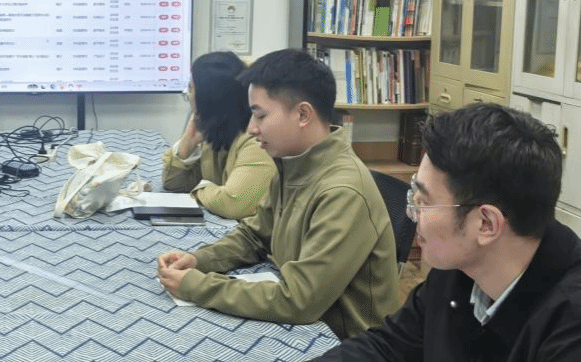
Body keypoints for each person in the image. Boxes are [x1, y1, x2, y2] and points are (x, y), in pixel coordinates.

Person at [242, 104, 581, 362]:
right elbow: (391, 349)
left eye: (423, 201)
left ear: (486, 223)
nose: (411, 215)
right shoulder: (462, 273)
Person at [157, 49, 399, 339]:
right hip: (308, 326)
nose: (251, 128)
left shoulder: (343, 192)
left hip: (346, 345)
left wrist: (196, 286)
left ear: (303, 115)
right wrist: (199, 260)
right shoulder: (292, 163)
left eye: (260, 115)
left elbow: (299, 301)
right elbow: (254, 236)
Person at [161, 51, 276, 220]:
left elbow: (233, 204)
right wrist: (187, 143)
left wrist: (200, 189)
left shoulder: (257, 139)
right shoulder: (215, 131)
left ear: (209, 98)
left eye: (191, 88)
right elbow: (173, 184)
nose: (188, 95)